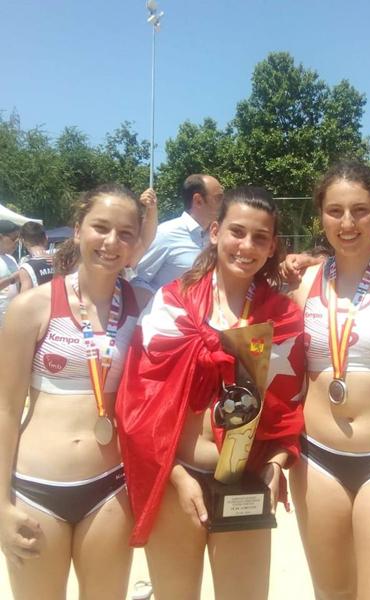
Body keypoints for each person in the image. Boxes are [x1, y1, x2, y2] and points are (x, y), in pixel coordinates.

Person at [116, 186, 306, 600]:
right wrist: (176, 477)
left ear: (273, 245)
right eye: (237, 232)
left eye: (260, 237)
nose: (246, 246)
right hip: (177, 477)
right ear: (215, 231)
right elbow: (139, 402)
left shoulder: (282, 315)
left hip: (246, 483)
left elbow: (288, 406)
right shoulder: (172, 304)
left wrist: (275, 463)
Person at [0, 183, 158, 599]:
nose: (111, 242)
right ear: (77, 230)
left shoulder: (147, 306)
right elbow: (4, 407)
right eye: (100, 228)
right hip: (36, 488)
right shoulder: (31, 306)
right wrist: (0, 506)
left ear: (137, 242)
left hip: (111, 487)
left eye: (126, 233)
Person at [288, 160, 370, 600]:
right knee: (334, 595)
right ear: (320, 215)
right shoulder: (304, 283)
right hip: (317, 461)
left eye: (360, 210)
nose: (347, 223)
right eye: (335, 211)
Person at [131, 174, 223, 307]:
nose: (224, 203)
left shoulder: (216, 237)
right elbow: (138, 279)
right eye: (218, 198)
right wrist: (166, 307)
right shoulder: (165, 234)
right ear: (198, 200)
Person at [18, 221, 54, 291]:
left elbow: (24, 300)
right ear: (46, 238)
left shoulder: (27, 268)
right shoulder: (59, 261)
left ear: (23, 241)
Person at [0, 220, 21, 327]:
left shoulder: (11, 258)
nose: (17, 243)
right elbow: (14, 278)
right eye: (14, 239)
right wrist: (12, 279)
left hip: (11, 316)